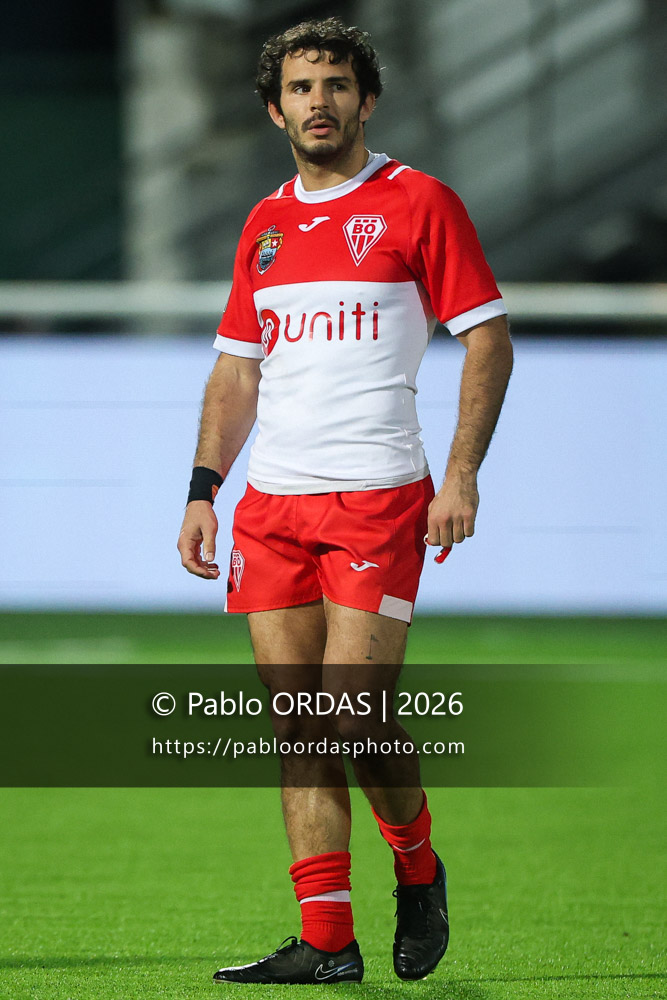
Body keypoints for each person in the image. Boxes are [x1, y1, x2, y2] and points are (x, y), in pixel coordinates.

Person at [177, 16, 513, 985]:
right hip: (272, 507)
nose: (316, 102)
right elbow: (236, 374)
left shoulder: (418, 203)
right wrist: (204, 490)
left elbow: (485, 341)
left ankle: (418, 867)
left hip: (376, 501)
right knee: (297, 725)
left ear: (365, 100)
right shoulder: (263, 226)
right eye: (299, 86)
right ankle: (326, 942)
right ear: (273, 105)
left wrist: (460, 473)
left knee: (351, 715)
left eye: (334, 84)